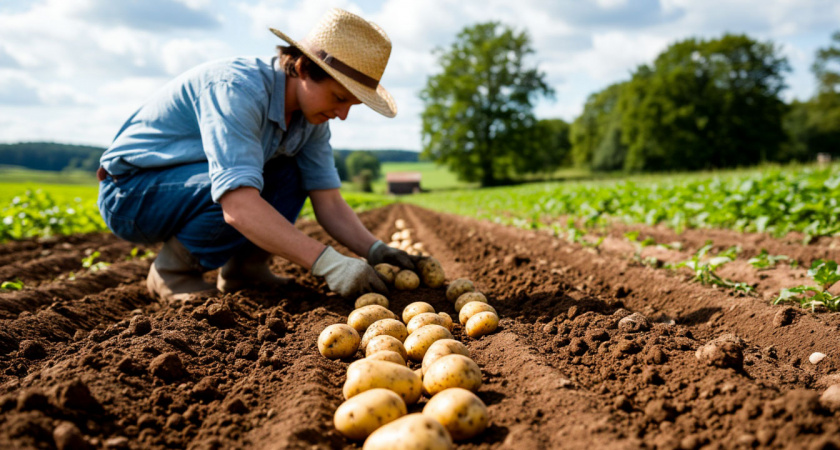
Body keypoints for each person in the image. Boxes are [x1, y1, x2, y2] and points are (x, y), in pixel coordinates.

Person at [96, 8, 417, 304]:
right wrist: (329, 264)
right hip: (131, 193)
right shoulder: (238, 89)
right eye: (339, 98)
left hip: (182, 187)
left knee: (289, 170)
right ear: (304, 67)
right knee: (234, 183)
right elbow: (238, 206)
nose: (343, 114)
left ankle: (245, 269)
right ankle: (172, 273)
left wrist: (376, 251)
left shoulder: (311, 121)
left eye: (351, 105)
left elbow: (328, 201)